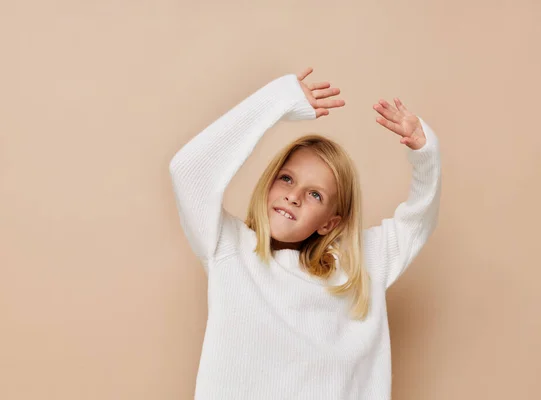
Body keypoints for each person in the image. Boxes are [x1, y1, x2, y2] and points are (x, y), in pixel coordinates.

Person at [169, 67, 442, 399]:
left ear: (329, 223)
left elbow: (417, 221)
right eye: (286, 178)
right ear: (269, 183)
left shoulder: (359, 265)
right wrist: (276, 101)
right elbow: (187, 172)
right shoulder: (228, 247)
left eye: (315, 195)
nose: (293, 196)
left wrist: (425, 153)